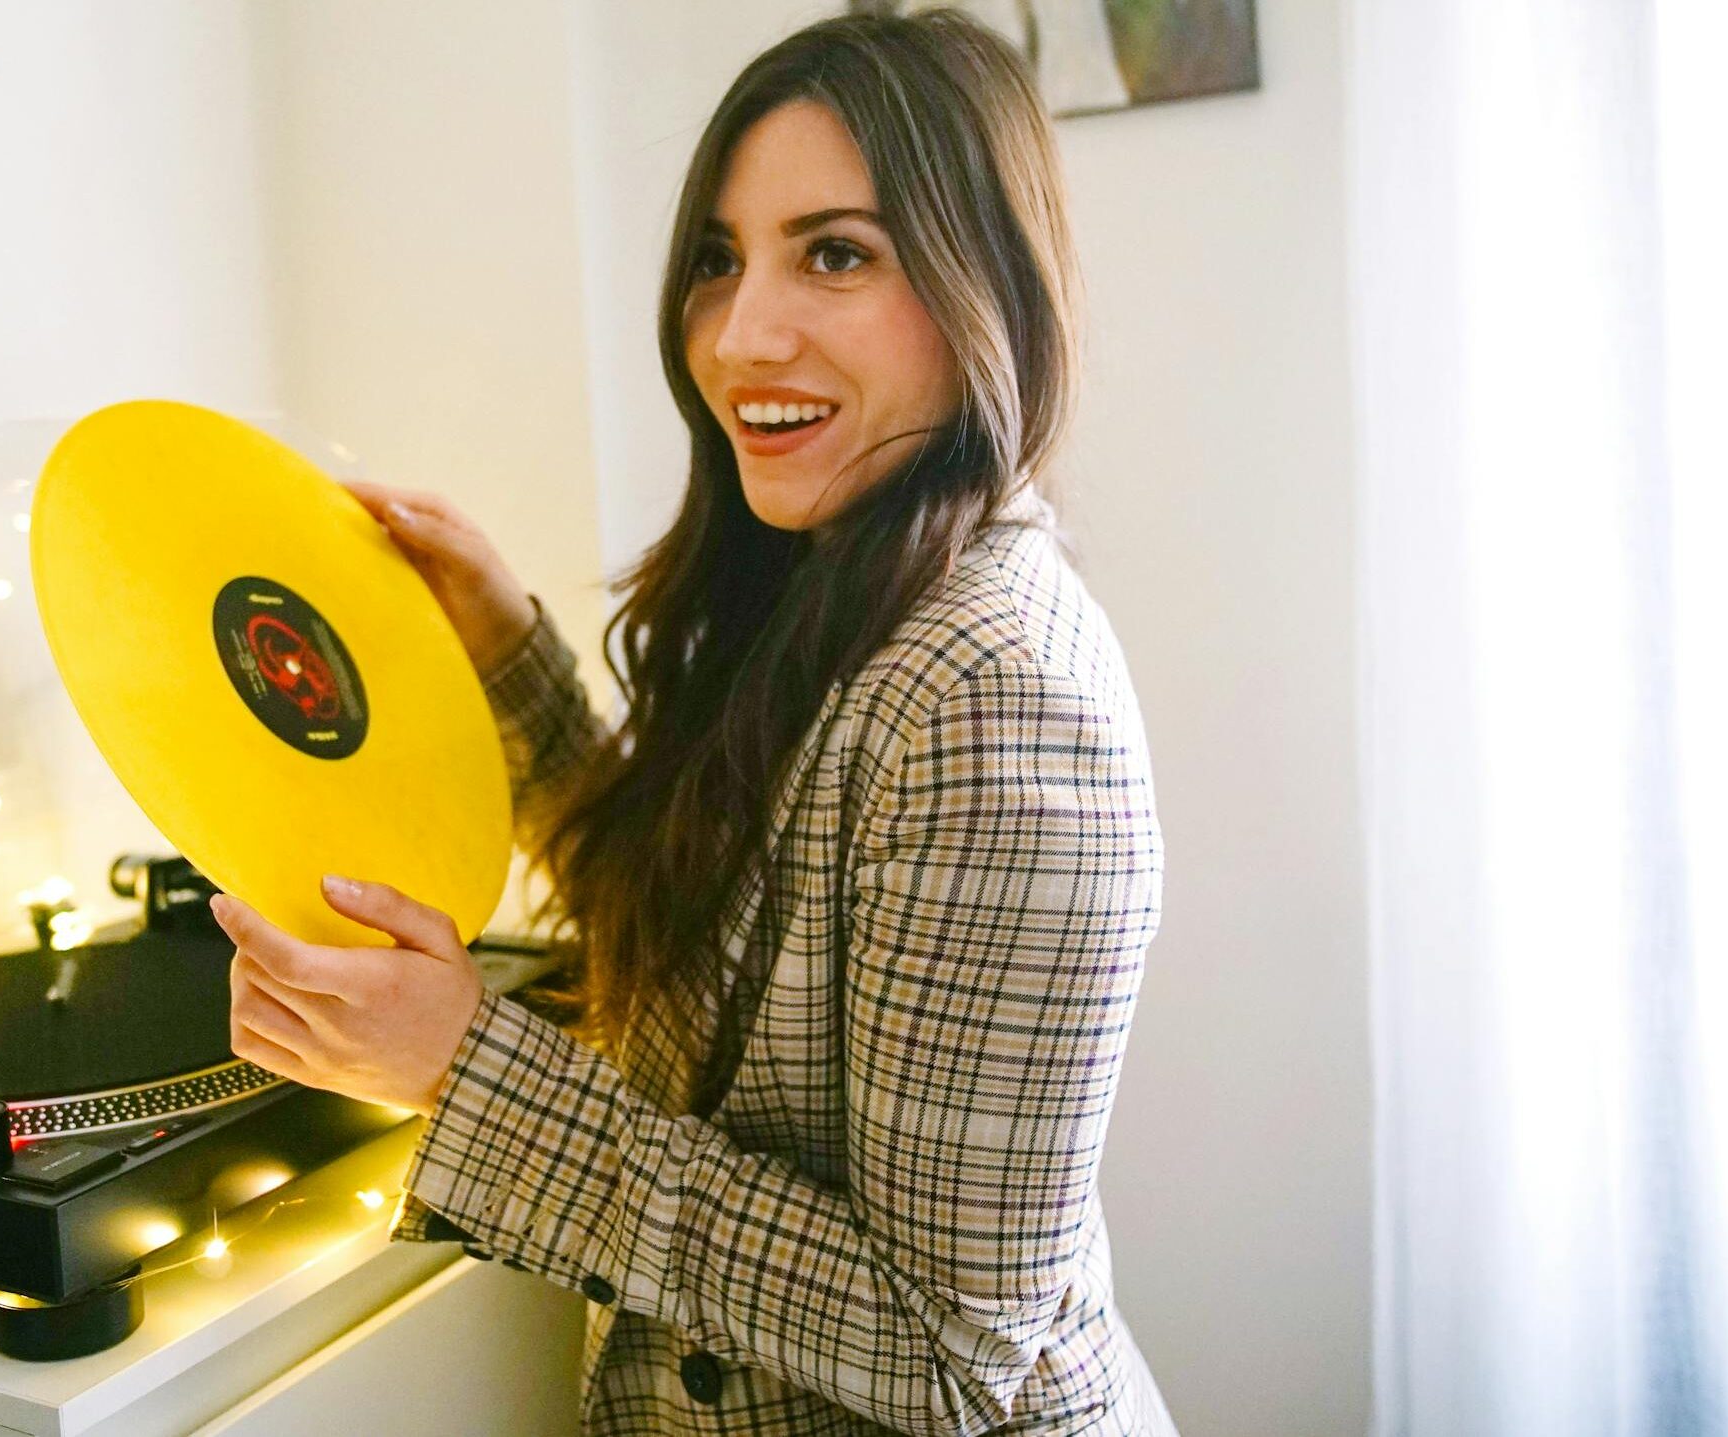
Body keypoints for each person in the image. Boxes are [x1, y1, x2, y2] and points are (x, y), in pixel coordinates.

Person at [210, 11, 1176, 1434]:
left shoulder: (999, 698)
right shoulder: (831, 564)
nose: (741, 334)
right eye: (720, 260)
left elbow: (949, 1350)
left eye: (834, 253)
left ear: (988, 286)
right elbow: (700, 958)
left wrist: (465, 1069)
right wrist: (508, 653)